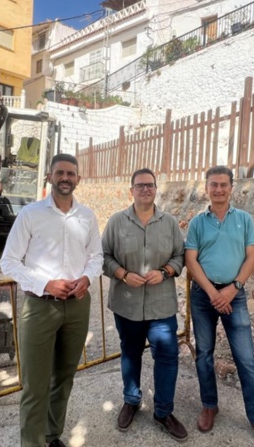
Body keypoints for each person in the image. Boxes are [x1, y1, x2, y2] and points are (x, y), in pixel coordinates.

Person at [0, 153, 103, 447]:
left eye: (71, 173)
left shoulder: (87, 216)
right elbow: (9, 262)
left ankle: (51, 434)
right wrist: (45, 284)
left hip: (77, 306)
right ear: (49, 176)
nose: (66, 178)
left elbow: (96, 256)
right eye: (60, 173)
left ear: (78, 179)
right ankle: (31, 443)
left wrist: (86, 278)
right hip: (40, 307)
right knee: (35, 384)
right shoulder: (31, 215)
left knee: (64, 376)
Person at [184, 165, 254, 447]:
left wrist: (232, 289)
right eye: (213, 185)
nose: (218, 189)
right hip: (204, 296)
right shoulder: (197, 223)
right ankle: (209, 406)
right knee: (204, 355)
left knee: (246, 359)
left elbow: (251, 259)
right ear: (206, 188)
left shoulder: (244, 220)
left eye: (224, 185)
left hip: (234, 295)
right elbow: (191, 260)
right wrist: (214, 293)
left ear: (231, 188)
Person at [101, 168, 188, 442]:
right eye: (140, 186)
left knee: (167, 356)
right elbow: (103, 257)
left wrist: (164, 272)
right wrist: (123, 275)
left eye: (150, 185)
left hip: (161, 306)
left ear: (156, 189)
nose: (145, 190)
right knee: (130, 352)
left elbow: (180, 256)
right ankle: (131, 400)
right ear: (132, 191)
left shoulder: (170, 223)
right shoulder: (116, 222)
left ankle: (163, 411)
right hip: (126, 304)